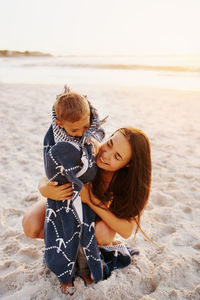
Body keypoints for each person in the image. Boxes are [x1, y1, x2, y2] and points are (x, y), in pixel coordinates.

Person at [22, 127, 152, 292]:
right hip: (67, 205)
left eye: (117, 156)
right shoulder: (89, 152)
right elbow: (54, 170)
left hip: (96, 219)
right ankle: (67, 245)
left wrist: (90, 199)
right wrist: (44, 188)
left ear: (128, 164)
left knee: (102, 233)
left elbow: (127, 230)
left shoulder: (128, 184)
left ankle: (83, 251)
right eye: (110, 143)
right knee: (30, 225)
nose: (106, 155)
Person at [40, 86, 105, 294]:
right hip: (62, 195)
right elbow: (51, 163)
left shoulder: (89, 129)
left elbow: (95, 134)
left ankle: (85, 270)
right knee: (63, 235)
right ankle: (64, 276)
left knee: (85, 236)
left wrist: (91, 139)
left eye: (85, 127)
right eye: (74, 131)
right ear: (60, 124)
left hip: (84, 195)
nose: (81, 134)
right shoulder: (56, 137)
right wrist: (46, 186)